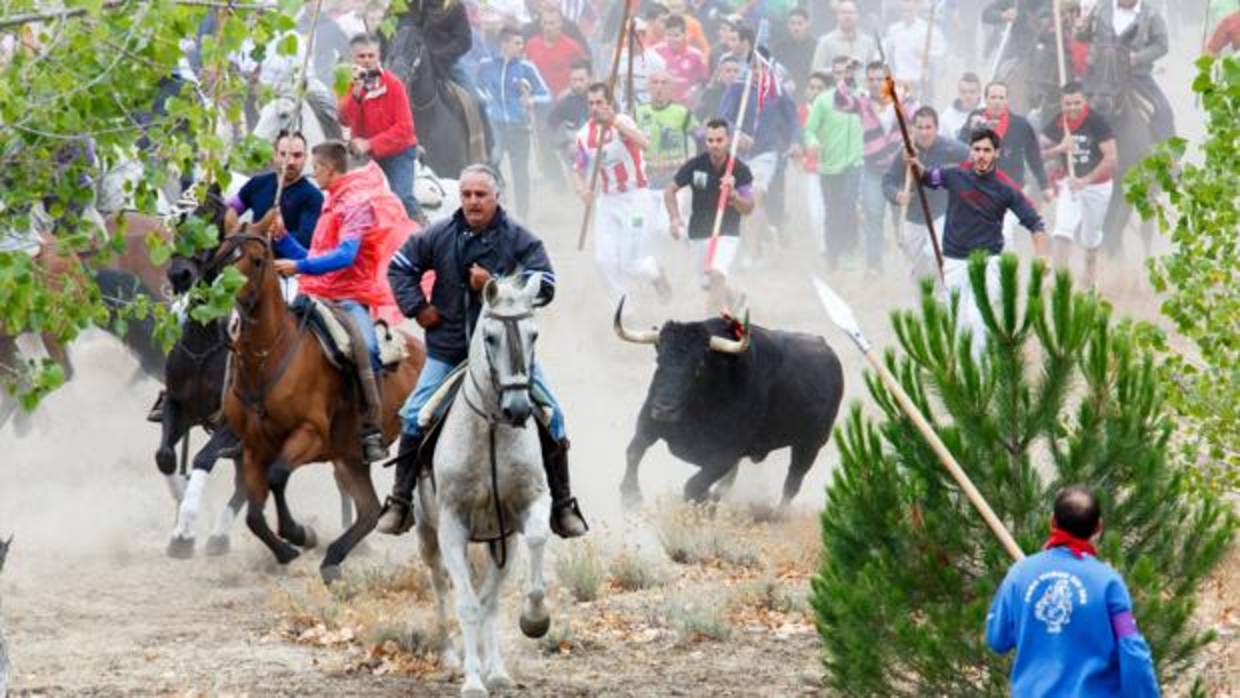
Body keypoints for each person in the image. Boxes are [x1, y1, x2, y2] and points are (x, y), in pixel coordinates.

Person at [376, 164, 589, 539]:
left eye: (481, 195)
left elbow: (548, 284)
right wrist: (418, 308)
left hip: (508, 352)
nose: (473, 202)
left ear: (496, 197)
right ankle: (400, 500)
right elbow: (400, 267)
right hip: (449, 347)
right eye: (467, 195)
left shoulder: (519, 238)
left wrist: (493, 283)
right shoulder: (438, 234)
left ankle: (562, 504)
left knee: (553, 415)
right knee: (413, 415)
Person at [271, 141, 409, 464]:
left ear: (329, 168)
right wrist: (283, 239)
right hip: (316, 291)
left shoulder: (357, 204)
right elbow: (313, 256)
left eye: (315, 167)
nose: (312, 174)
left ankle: (371, 426)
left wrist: (298, 267)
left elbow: (346, 256)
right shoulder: (330, 203)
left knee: (367, 348)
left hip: (348, 297)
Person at [986, 486, 1161, 698]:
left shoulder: (1020, 574)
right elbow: (1132, 651)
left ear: (1052, 522)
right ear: (1098, 527)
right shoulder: (1108, 583)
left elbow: (998, 639)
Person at [906, 128, 1049, 353]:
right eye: (976, 150)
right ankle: (966, 379)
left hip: (988, 262)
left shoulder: (1006, 187)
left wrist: (1042, 257)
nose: (981, 155)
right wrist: (914, 163)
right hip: (954, 262)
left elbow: (1035, 223)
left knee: (978, 320)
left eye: (987, 150)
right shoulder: (954, 175)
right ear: (970, 152)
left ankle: (983, 378)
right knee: (959, 324)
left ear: (996, 154)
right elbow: (926, 178)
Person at [574, 82, 672, 308]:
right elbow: (577, 169)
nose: (595, 107)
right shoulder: (583, 134)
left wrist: (615, 122)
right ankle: (624, 311)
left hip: (636, 197)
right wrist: (582, 191)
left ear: (609, 103)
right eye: (591, 103)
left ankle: (656, 273)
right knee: (603, 261)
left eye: (599, 102)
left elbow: (645, 144)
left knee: (631, 263)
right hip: (607, 200)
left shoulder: (623, 122)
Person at [717, 45, 800, 266]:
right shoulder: (736, 90)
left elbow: (793, 119)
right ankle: (761, 238)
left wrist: (794, 142)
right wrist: (736, 133)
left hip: (766, 153)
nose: (756, 72)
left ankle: (750, 256)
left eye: (761, 67)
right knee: (739, 204)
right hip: (739, 154)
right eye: (753, 67)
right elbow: (722, 118)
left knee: (753, 199)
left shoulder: (777, 91)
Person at [834, 61, 919, 276]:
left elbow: (919, 119)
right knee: (873, 216)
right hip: (874, 170)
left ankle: (912, 266)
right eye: (870, 79)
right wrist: (848, 76)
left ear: (888, 80)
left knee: (903, 220)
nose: (874, 83)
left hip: (900, 171)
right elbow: (840, 102)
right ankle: (874, 267)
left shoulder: (902, 100)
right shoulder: (862, 102)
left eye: (879, 79)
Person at [665, 118, 756, 313]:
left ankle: (717, 319)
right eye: (710, 140)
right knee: (707, 283)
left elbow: (749, 208)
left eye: (719, 140)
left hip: (727, 232)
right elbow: (670, 191)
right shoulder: (695, 165)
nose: (714, 145)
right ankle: (736, 297)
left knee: (716, 274)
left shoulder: (740, 170)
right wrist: (674, 218)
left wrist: (734, 195)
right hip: (698, 232)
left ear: (728, 140)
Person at [1040, 82, 1117, 288]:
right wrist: (1059, 148)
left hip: (1097, 186)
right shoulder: (1058, 122)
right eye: (1068, 103)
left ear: (1084, 101)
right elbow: (1036, 152)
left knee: (1090, 238)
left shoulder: (1097, 122)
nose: (1072, 108)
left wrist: (1086, 180)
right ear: (1061, 102)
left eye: (1077, 103)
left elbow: (1111, 158)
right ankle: (1059, 281)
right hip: (1070, 183)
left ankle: (1090, 276)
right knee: (1062, 230)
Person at [337, 33, 420, 220]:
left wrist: (370, 143)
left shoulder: (394, 84)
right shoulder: (346, 85)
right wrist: (355, 96)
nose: (366, 61)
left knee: (399, 198)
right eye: (361, 56)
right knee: (350, 199)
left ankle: (419, 229)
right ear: (353, 57)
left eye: (371, 56)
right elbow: (344, 120)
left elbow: (405, 128)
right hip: (365, 155)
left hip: (399, 152)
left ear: (378, 57)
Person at [884, 106, 969, 285]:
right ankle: (920, 299)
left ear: (936, 128)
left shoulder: (949, 148)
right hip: (912, 217)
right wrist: (897, 195)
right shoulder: (905, 152)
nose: (924, 132)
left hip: (941, 213)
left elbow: (975, 159)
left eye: (928, 127)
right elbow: (887, 182)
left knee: (935, 254)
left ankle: (943, 292)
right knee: (915, 266)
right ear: (912, 129)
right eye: (919, 127)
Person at [478, 27, 551, 221]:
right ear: (504, 44)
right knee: (492, 164)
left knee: (520, 173)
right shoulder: (486, 65)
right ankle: (494, 211)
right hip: (496, 126)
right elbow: (476, 88)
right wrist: (485, 99)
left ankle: (523, 216)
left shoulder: (527, 67)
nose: (521, 47)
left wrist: (532, 100)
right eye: (517, 43)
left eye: (522, 43)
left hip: (519, 127)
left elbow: (546, 94)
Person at [1078, 0, 1174, 142]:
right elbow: (1082, 36)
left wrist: (1138, 57)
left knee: (1163, 111)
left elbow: (1161, 45)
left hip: (1135, 76)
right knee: (1073, 107)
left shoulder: (1151, 15)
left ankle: (1168, 157)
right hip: (1098, 75)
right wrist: (1079, 27)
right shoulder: (1099, 9)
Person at [804, 56, 863, 267]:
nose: (843, 76)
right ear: (833, 76)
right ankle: (832, 255)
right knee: (832, 210)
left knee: (849, 203)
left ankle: (850, 249)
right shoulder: (823, 100)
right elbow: (809, 129)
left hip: (855, 163)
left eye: (847, 72)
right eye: (837, 73)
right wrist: (811, 142)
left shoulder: (862, 98)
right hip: (828, 165)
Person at [959, 81, 1052, 206]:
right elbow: (959, 149)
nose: (997, 102)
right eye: (993, 97)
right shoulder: (975, 120)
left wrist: (1044, 186)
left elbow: (1034, 156)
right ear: (985, 99)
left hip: (1011, 189)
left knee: (1004, 225)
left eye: (1001, 98)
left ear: (1007, 100)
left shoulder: (1021, 125)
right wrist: (972, 130)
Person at [230, 132, 324, 248]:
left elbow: (305, 240)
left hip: (282, 263)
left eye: (297, 155)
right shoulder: (257, 183)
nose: (291, 162)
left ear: (305, 158)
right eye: (284, 154)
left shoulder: (314, 197)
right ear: (274, 156)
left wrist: (274, 235)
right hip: (249, 258)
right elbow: (232, 208)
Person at [637, 70, 699, 235]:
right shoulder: (638, 113)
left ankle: (683, 248)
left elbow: (699, 140)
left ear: (671, 88)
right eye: (655, 82)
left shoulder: (682, 113)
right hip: (647, 182)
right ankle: (653, 261)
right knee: (644, 231)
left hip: (674, 183)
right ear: (648, 87)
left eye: (664, 83)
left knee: (668, 231)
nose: (659, 87)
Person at [883, 0, 946, 103]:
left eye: (909, 10)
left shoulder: (928, 29)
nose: (906, 13)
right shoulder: (894, 30)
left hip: (920, 83)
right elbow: (885, 51)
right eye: (904, 11)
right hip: (900, 81)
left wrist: (926, 55)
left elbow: (941, 52)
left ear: (916, 10)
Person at [654, 15, 710, 104]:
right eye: (669, 35)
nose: (672, 39)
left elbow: (704, 82)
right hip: (659, 104)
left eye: (676, 35)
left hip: (684, 106)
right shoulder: (656, 51)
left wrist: (694, 93)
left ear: (685, 34)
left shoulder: (696, 55)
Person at [812, 0, 880, 74]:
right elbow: (816, 71)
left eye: (851, 12)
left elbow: (876, 70)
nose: (847, 16)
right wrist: (839, 70)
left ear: (858, 16)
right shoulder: (825, 42)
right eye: (843, 12)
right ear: (837, 16)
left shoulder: (868, 43)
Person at [773, 8, 817, 92]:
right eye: (792, 23)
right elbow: (774, 71)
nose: (796, 28)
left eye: (800, 23)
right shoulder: (780, 48)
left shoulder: (817, 46)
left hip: (809, 91)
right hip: (785, 92)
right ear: (788, 25)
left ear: (808, 24)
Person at [939, 72, 982, 141]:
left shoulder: (988, 110)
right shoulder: (947, 117)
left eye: (972, 91)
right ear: (958, 92)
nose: (968, 95)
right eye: (963, 92)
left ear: (979, 92)